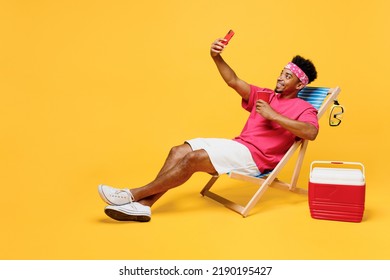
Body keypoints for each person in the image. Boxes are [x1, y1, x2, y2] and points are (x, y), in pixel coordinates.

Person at [98, 35, 318, 222]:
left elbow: (311, 132)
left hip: (256, 158)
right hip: (238, 145)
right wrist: (216, 56)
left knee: (194, 159)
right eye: (281, 73)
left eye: (287, 76)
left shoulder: (304, 107)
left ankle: (131, 195)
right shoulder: (266, 95)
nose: (280, 78)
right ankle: (144, 205)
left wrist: (274, 115)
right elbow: (233, 80)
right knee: (178, 151)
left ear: (299, 85)